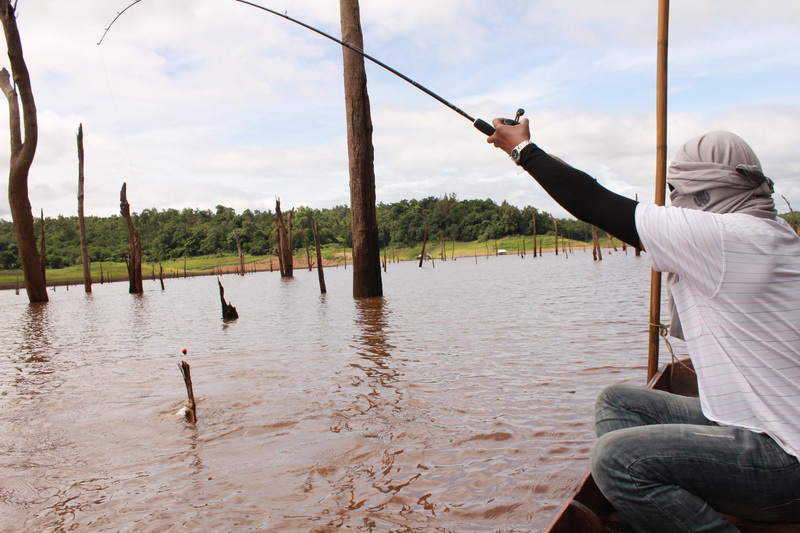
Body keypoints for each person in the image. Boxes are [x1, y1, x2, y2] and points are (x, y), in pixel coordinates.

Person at [487, 119, 800, 532]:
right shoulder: (763, 230)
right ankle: (664, 515)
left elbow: (593, 202)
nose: (674, 202)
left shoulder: (728, 237)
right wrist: (532, 151)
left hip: (785, 461)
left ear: (704, 190)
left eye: (678, 192)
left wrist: (522, 150)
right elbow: (592, 192)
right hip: (754, 425)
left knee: (617, 459)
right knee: (619, 402)